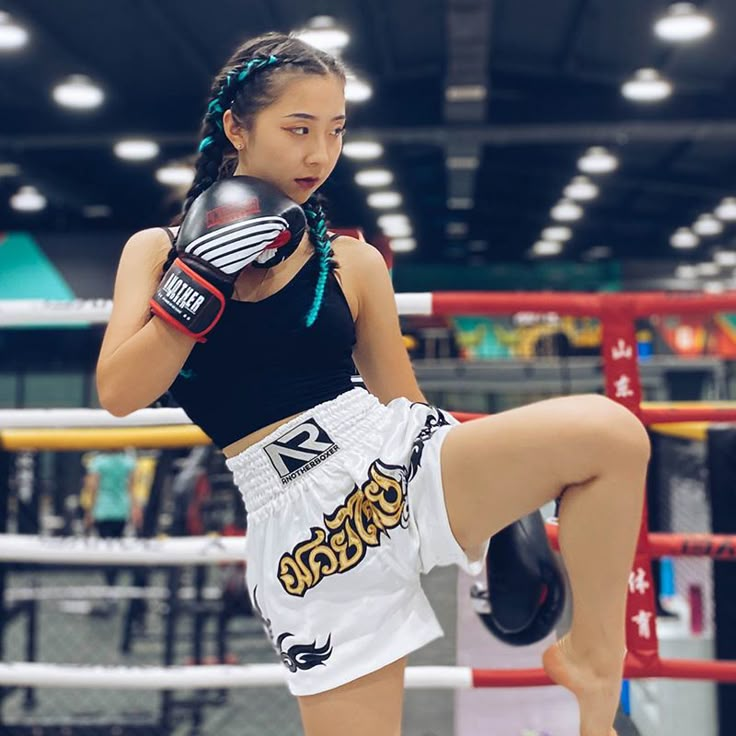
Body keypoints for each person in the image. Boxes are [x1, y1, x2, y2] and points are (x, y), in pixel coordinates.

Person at [96, 32, 650, 736]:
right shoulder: (157, 250)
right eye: (298, 130)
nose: (318, 154)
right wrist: (199, 285)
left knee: (611, 435)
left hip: (390, 457)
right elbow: (119, 392)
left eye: (334, 132)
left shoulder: (351, 262)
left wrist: (500, 502)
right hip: (302, 524)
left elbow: (403, 405)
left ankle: (594, 664)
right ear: (237, 126)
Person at [82, 450, 142, 601]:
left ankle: (109, 586)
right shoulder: (128, 462)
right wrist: (135, 509)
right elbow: (132, 488)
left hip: (103, 510)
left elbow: (93, 489)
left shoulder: (97, 462)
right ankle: (112, 586)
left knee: (105, 550)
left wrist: (89, 512)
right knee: (116, 549)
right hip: (121, 510)